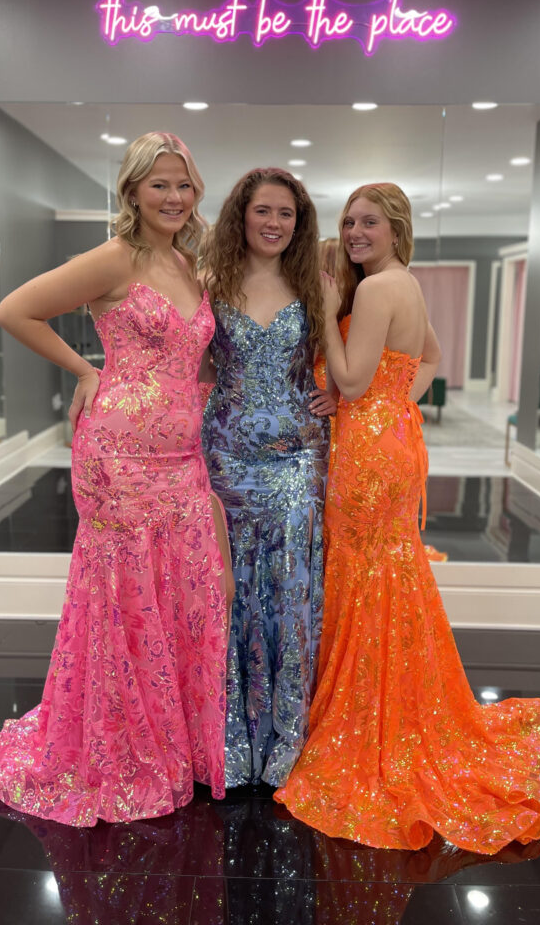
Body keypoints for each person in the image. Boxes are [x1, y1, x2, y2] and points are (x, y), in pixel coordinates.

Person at [275, 183, 540, 853]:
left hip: (366, 452)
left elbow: (349, 380)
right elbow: (429, 360)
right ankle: (401, 706)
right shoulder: (403, 283)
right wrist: (390, 400)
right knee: (390, 571)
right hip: (393, 438)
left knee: (364, 573)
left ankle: (369, 721)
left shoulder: (379, 290)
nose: (355, 233)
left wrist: (329, 321)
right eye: (349, 222)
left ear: (395, 228)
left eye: (369, 223)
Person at [0, 132, 231, 826]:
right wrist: (87, 370)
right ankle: (123, 747)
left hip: (183, 457)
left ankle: (175, 742)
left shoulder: (193, 263)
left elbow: (194, 357)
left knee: (181, 591)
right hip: (118, 456)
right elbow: (15, 310)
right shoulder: (114, 258)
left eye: (183, 184)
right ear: (131, 191)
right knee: (126, 597)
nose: (174, 197)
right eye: (159, 184)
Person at [201, 168, 333, 788]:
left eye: (287, 213)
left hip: (297, 458)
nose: (275, 223)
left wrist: (346, 394)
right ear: (241, 216)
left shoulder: (318, 282)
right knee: (229, 591)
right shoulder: (208, 281)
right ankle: (227, 734)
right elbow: (179, 359)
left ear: (299, 223)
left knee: (289, 590)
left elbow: (369, 360)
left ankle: (284, 737)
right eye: (264, 211)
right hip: (224, 456)